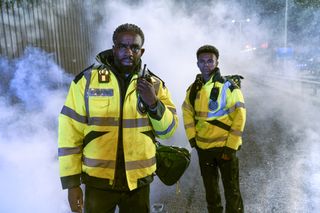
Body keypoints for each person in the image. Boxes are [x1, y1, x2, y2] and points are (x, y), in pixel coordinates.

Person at [58, 23, 178, 213]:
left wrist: (154, 103)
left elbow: (168, 131)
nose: (128, 52)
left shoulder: (155, 84)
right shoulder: (86, 81)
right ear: (114, 48)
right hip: (98, 183)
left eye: (134, 47)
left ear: (142, 51)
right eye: (123, 46)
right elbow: (69, 134)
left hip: (138, 183)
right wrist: (72, 184)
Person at [182, 45, 246, 213]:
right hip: (204, 150)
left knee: (232, 192)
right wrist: (192, 139)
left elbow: (240, 118)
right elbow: (187, 112)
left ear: (217, 62)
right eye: (202, 61)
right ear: (197, 64)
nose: (206, 65)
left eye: (210, 61)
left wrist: (231, 147)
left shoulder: (229, 87)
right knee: (211, 193)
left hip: (226, 149)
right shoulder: (193, 89)